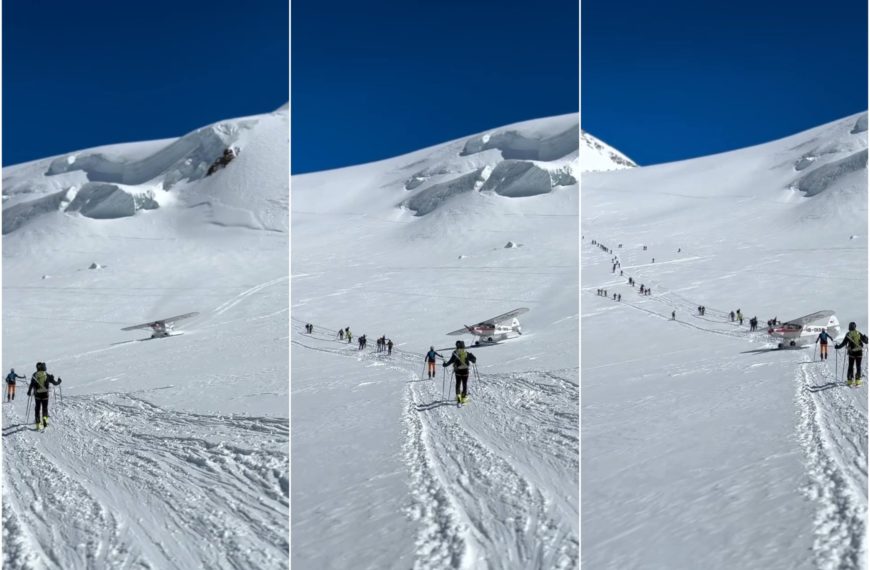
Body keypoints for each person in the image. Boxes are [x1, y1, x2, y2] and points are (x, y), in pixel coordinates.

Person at [27, 362, 61, 430]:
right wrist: (59, 381)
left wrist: (29, 391)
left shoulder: (34, 375)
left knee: (37, 408)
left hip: (37, 395)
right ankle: (45, 420)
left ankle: (37, 424)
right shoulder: (47, 375)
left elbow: (31, 384)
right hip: (45, 395)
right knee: (45, 408)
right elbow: (55, 383)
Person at [443, 340, 477, 404]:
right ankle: (463, 398)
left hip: (458, 371)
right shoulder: (466, 353)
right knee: (464, 384)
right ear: (463, 345)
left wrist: (445, 365)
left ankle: (458, 398)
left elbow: (450, 362)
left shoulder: (455, 353)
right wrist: (473, 360)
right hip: (465, 371)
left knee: (458, 384)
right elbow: (474, 359)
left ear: (456, 346)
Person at [835, 322, 868, 386]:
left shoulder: (848, 334)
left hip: (851, 353)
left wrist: (837, 347)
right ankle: (857, 381)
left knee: (850, 366)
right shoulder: (858, 333)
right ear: (855, 327)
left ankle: (850, 381)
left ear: (849, 327)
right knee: (858, 366)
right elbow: (865, 342)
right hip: (859, 352)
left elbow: (843, 343)